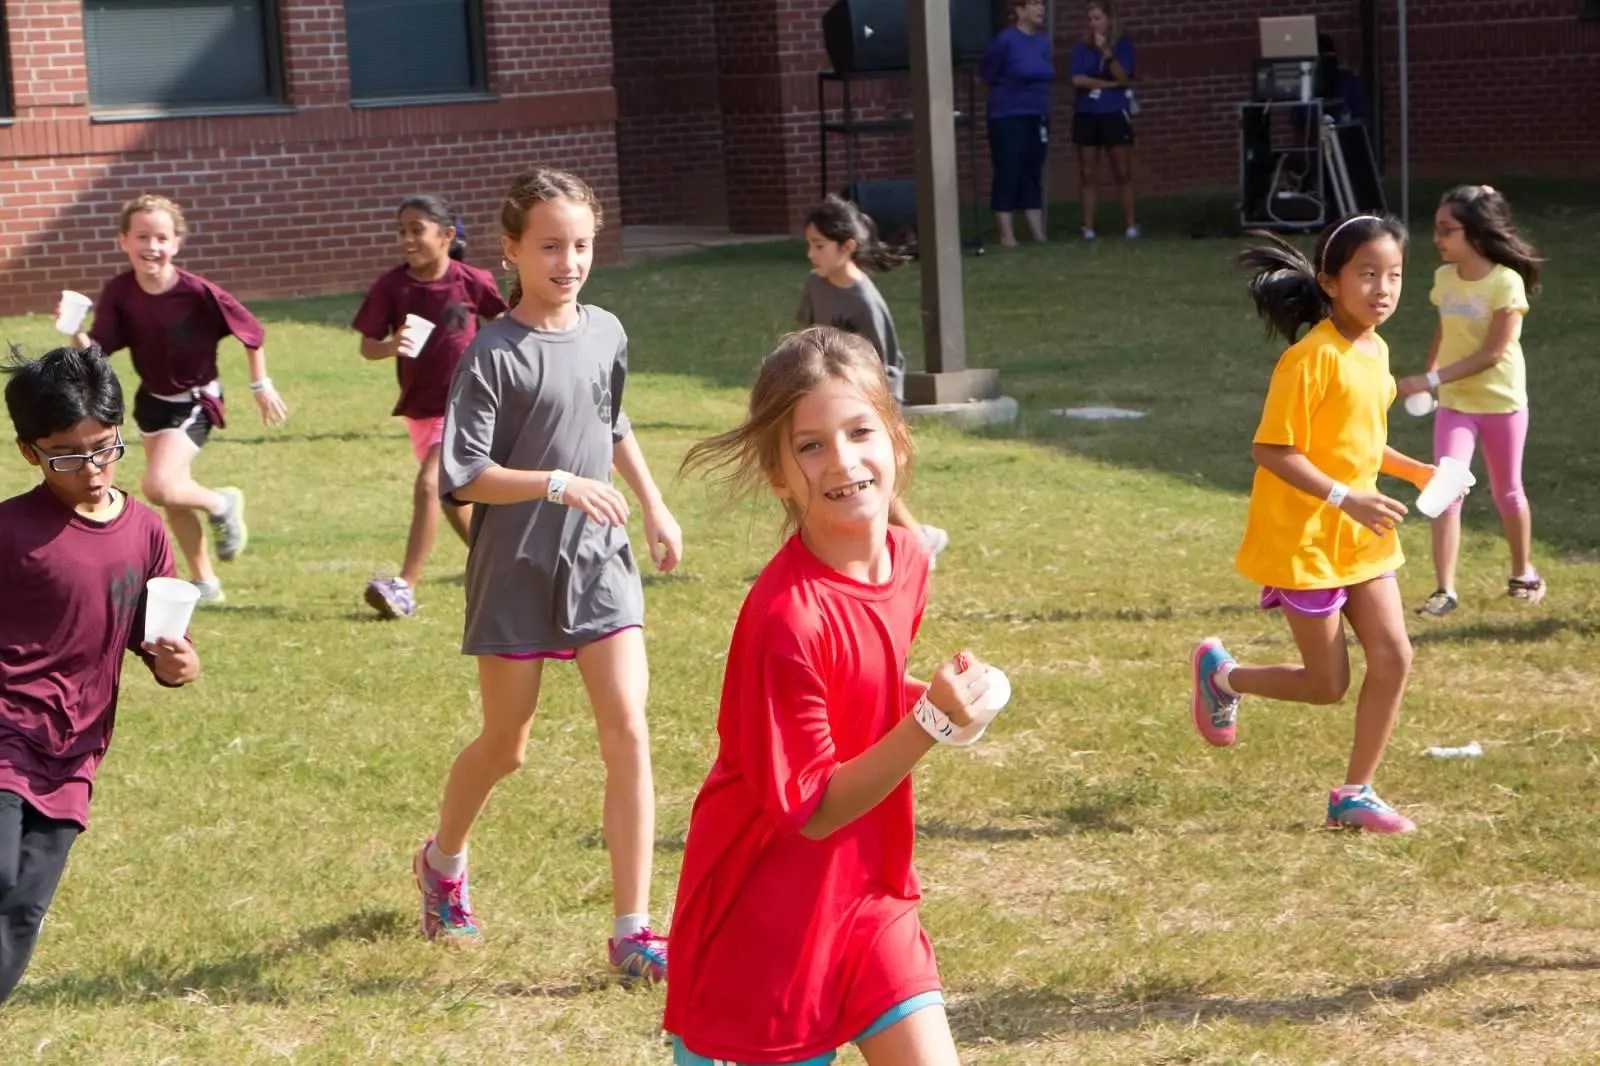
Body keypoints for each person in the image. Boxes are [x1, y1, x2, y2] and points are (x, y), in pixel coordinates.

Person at [664, 326, 1007, 1066]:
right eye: (810, 445)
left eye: (860, 431)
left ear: (898, 440)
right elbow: (813, 809)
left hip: (869, 898)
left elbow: (862, 692)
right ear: (779, 474)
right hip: (763, 924)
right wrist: (931, 722)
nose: (843, 460)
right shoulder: (784, 617)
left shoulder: (908, 559)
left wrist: (940, 699)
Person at [411, 168, 683, 983]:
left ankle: (633, 932)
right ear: (512, 250)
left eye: (583, 245)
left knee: (629, 731)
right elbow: (463, 473)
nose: (570, 261)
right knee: (507, 746)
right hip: (518, 566)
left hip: (600, 563)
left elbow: (612, 419)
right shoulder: (492, 352)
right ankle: (441, 863)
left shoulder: (606, 330)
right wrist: (558, 484)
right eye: (552, 246)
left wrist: (656, 504)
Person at [1190, 215, 1440, 835]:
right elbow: (1273, 449)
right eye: (1367, 274)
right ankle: (1223, 677)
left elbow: (1360, 440)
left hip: (1358, 534)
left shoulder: (1376, 350)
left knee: (1395, 657)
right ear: (1329, 282)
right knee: (1327, 684)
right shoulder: (1308, 361)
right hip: (1305, 540)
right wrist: (1343, 497)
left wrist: (1416, 473)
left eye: (1394, 275)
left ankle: (1355, 794)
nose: (1383, 288)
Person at [0, 345, 201, 1005]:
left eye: (105, 449)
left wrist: (178, 663)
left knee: (24, 909)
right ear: (30, 452)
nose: (89, 470)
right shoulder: (10, 530)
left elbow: (163, 644)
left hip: (75, 749)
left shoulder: (145, 533)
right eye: (65, 455)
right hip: (5, 732)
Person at [63, 194, 289, 605]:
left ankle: (222, 502)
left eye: (162, 237)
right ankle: (205, 582)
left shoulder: (198, 292)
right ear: (123, 241)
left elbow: (252, 332)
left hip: (196, 401)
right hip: (151, 401)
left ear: (177, 243)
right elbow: (98, 350)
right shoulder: (119, 290)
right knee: (172, 494)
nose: (152, 246)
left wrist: (261, 386)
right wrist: (75, 330)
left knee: (159, 485)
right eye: (143, 236)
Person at [352, 194, 508, 619]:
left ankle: (404, 587)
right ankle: (507, 569)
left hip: (468, 404)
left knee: (429, 484)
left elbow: (507, 323)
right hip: (420, 408)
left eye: (417, 229)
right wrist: (390, 346)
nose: (407, 238)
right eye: (401, 230)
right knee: (452, 499)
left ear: (446, 236)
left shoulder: (472, 280)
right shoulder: (392, 287)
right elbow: (367, 346)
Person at [1396, 185, 1545, 616]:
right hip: (1457, 405)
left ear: (1477, 233)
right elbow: (1444, 334)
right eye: (1436, 229)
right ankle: (1445, 591)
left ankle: (1523, 574)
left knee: (1508, 492)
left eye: (1448, 230)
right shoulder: (1444, 279)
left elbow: (1492, 354)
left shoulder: (1506, 283)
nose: (1438, 239)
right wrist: (1431, 380)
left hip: (1502, 403)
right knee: (1446, 489)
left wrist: (1428, 377)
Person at [799, 196, 950, 568]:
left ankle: (917, 542)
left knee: (868, 481)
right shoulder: (815, 286)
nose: (811, 254)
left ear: (846, 246)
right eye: (809, 245)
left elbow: (882, 366)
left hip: (870, 402)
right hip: (829, 401)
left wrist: (876, 416)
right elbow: (804, 340)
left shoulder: (866, 301)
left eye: (819, 246)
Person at [980, 0, 1054, 246]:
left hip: (1037, 114)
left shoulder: (1044, 42)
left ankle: (1037, 233)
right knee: (1009, 170)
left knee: (1032, 171)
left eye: (1042, 5)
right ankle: (1007, 234)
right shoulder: (1005, 41)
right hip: (1007, 115)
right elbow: (988, 74)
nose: (1041, 9)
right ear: (1020, 11)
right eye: (1034, 4)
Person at [1069, 0, 1138, 240]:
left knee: (1122, 170)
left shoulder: (1123, 45)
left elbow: (1124, 77)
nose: (1093, 24)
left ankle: (1130, 224)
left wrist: (1107, 53)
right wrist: (1108, 84)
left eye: (1097, 18)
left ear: (1109, 19)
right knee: (1087, 172)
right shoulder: (1081, 47)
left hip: (1114, 111)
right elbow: (1078, 80)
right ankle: (1088, 227)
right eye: (1090, 19)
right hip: (1087, 112)